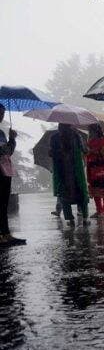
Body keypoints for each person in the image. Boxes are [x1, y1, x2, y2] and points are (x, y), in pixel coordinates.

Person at [50, 123, 89, 227]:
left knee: (64, 195)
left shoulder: (54, 138)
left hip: (62, 171)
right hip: (76, 170)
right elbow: (85, 151)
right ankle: (85, 218)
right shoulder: (76, 136)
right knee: (81, 193)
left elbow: (51, 153)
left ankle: (70, 220)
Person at [0, 106, 25, 247]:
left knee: (4, 203)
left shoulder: (2, 133)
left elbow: (8, 152)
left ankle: (6, 233)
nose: (1, 116)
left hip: (5, 171)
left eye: (3, 113)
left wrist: (12, 140)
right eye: (0, 113)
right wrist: (10, 141)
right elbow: (2, 150)